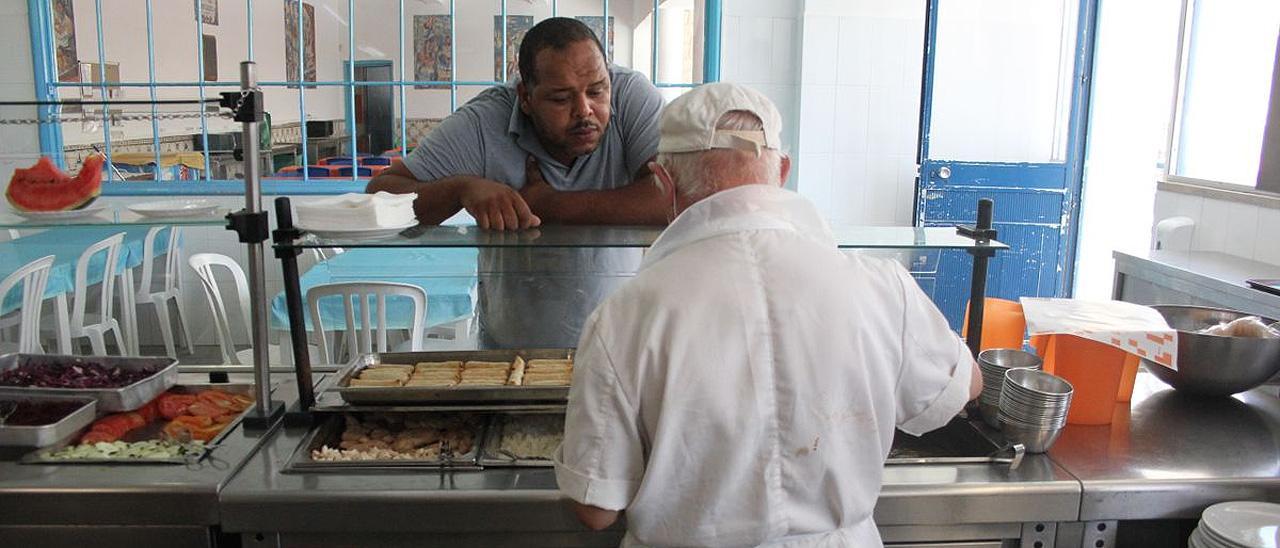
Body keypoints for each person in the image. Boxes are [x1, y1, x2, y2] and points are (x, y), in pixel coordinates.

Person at [554, 83, 983, 547]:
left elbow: (596, 508)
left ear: (663, 181)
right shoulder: (880, 284)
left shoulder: (624, 316)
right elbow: (964, 387)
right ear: (781, 169)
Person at [367, 17, 668, 348]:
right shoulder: (485, 121)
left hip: (619, 347)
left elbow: (672, 197)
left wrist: (548, 204)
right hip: (511, 351)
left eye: (597, 91)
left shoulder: (631, 95)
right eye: (560, 99)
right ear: (525, 96)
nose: (585, 110)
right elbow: (380, 197)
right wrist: (461, 188)